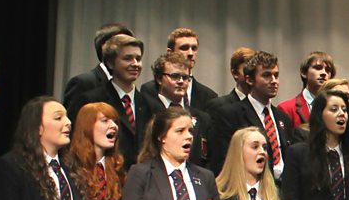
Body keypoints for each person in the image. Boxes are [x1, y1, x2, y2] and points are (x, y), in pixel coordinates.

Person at [70, 34, 154, 168]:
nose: (135, 64)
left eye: (138, 59)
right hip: (103, 176)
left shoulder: (149, 104)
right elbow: (78, 142)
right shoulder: (91, 100)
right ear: (110, 63)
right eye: (128, 58)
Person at [208, 51, 292, 179]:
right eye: (266, 76)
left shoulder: (283, 118)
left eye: (276, 75)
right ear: (249, 80)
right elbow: (222, 163)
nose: (274, 81)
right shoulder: (230, 115)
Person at [139, 27, 218, 110]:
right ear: (170, 52)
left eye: (194, 48)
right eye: (184, 48)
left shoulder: (209, 96)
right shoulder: (149, 90)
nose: (190, 53)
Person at [62, 23, 132, 110]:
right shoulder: (83, 83)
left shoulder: (129, 87)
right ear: (105, 48)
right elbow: (73, 121)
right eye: (123, 44)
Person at [279, 51, 335, 126]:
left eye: (328, 70)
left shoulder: (336, 109)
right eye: (318, 68)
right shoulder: (286, 108)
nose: (324, 73)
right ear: (304, 73)